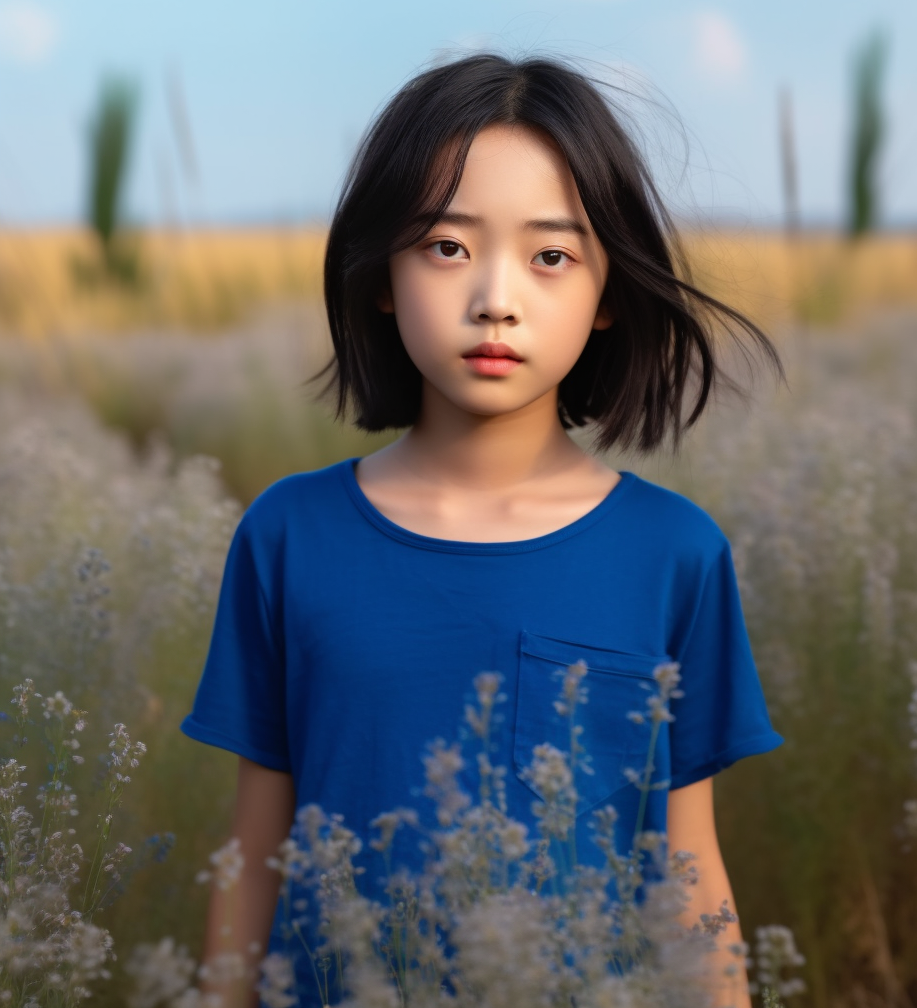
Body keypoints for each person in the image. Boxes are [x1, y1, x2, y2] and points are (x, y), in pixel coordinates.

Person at [181, 51, 785, 1008]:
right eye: (447, 247)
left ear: (609, 298)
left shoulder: (674, 555)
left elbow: (688, 869)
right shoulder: (287, 536)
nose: (495, 298)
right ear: (380, 273)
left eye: (552, 256)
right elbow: (256, 845)